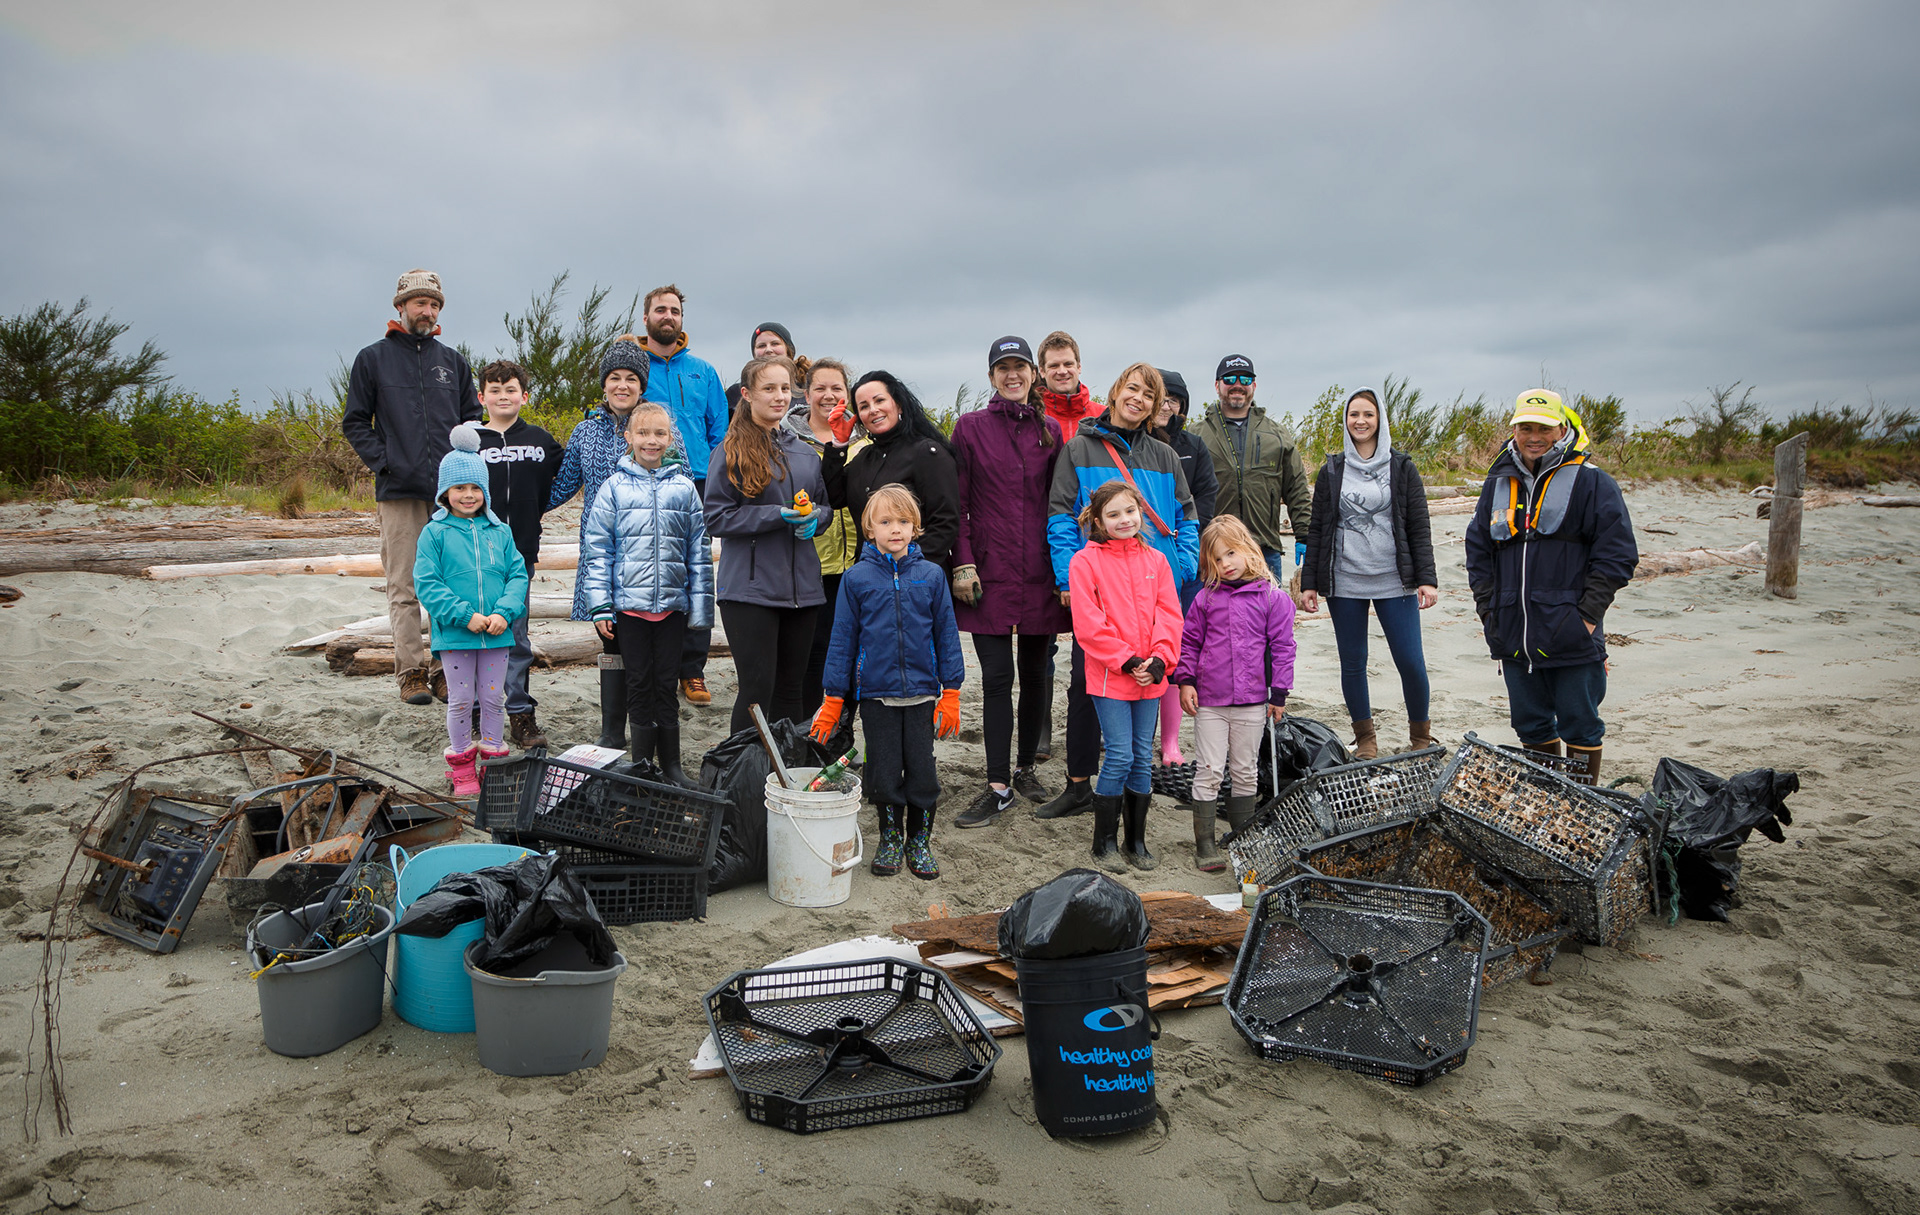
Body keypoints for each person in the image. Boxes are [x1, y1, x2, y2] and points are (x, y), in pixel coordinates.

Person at [1037, 362, 1199, 823]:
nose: (1139, 400)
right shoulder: (1080, 448)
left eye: (1149, 395)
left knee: (1148, 676)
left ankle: (1130, 790)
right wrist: (1069, 577)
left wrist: (1182, 565)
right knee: (1086, 684)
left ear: (1155, 406)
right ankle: (1078, 784)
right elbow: (1061, 516)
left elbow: (1188, 516)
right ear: (1116, 390)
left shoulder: (1165, 456)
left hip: (1154, 586)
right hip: (1098, 587)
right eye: (1133, 389)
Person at [1465, 390, 1638, 782]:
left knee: (1580, 723)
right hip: (1512, 634)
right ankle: (1547, 808)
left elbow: (1618, 556)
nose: (1534, 436)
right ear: (1515, 430)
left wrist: (1588, 618)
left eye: (1543, 427)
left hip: (1572, 634)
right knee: (1531, 725)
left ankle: (1579, 807)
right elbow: (1477, 550)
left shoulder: (1594, 483)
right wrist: (1490, 612)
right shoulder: (1497, 482)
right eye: (1526, 427)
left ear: (1562, 428)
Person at [342, 268, 482, 705]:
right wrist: (386, 463)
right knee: (404, 587)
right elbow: (354, 422)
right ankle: (411, 673)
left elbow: (472, 420)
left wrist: (462, 474)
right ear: (400, 306)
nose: (428, 310)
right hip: (398, 492)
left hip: (448, 495)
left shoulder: (453, 361)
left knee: (448, 583)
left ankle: (445, 669)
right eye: (420, 303)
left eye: (435, 304)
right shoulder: (372, 359)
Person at [811, 485, 965, 881]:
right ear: (869, 529)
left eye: (903, 521)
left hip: (921, 695)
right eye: (885, 521)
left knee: (922, 771)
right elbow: (842, 639)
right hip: (876, 696)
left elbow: (946, 635)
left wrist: (951, 691)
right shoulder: (856, 579)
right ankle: (891, 836)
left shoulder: (931, 576)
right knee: (882, 771)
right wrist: (833, 699)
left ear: (915, 529)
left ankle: (919, 839)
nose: (894, 529)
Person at [949, 337, 1071, 828]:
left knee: (1038, 674)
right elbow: (958, 503)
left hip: (1040, 572)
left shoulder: (1050, 431)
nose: (1012, 374)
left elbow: (1059, 503)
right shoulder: (970, 428)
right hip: (989, 571)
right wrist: (963, 562)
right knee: (998, 678)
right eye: (1003, 367)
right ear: (992, 375)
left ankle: (1024, 769)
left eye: (1020, 366)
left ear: (1032, 374)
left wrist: (1063, 570)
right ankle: (997, 783)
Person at [1300, 388, 1440, 758]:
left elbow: (1418, 525)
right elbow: (1318, 528)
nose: (1360, 421)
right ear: (1345, 421)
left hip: (1395, 579)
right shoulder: (1332, 470)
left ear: (1380, 420)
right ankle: (1365, 739)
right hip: (1345, 579)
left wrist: (1427, 577)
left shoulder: (1402, 466)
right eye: (1353, 415)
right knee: (1352, 662)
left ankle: (1421, 737)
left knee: (1410, 660)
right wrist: (1310, 582)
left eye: (1368, 414)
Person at [579, 402, 712, 787]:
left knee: (667, 683)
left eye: (659, 434)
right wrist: (600, 604)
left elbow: (699, 553)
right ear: (629, 438)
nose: (651, 441)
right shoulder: (614, 487)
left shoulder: (684, 488)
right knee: (638, 683)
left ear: (670, 439)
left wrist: (700, 611)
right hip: (629, 610)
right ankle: (642, 766)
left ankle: (671, 765)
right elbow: (598, 550)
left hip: (671, 609)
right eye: (643, 433)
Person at [705, 355, 831, 734]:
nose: (780, 397)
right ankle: (740, 776)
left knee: (792, 691)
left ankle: (787, 777)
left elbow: (824, 506)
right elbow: (716, 518)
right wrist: (776, 515)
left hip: (804, 592)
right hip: (749, 591)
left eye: (785, 388)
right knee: (757, 691)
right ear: (746, 394)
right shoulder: (729, 451)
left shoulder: (807, 452)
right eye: (769, 389)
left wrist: (815, 520)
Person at [1068, 480, 1182, 872]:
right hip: (1110, 677)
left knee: (1140, 757)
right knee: (1118, 753)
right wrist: (1127, 660)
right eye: (1113, 514)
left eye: (1129, 512)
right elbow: (1088, 624)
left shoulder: (1157, 561)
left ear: (1141, 513)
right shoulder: (1086, 561)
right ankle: (1105, 843)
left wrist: (1160, 660)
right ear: (1098, 520)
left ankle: (1137, 840)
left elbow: (1169, 613)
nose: (1124, 520)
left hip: (1151, 676)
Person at [1173, 516, 1296, 871]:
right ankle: (1206, 844)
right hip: (1210, 701)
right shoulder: (1205, 599)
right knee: (1209, 769)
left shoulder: (1273, 598)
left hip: (1253, 701)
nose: (1225, 564)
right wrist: (1186, 681)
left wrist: (1279, 694)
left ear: (1248, 549)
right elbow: (1191, 642)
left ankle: (1242, 837)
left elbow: (1283, 648)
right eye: (1216, 560)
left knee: (1244, 770)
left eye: (1230, 553)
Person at [548, 339, 652, 750]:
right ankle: (612, 731)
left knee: (643, 639)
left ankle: (645, 729)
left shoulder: (658, 425)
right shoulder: (585, 430)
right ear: (604, 384)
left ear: (641, 386)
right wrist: (513, 499)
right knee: (610, 636)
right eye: (614, 378)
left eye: (630, 378)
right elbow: (562, 487)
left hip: (646, 552)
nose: (622, 385)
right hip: (601, 555)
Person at [413, 424, 528, 797]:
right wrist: (465, 615)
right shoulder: (435, 533)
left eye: (476, 488)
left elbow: (517, 576)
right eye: (460, 488)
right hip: (457, 633)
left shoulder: (501, 532)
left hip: (496, 632)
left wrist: (503, 613)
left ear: (486, 492)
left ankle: (492, 760)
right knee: (462, 699)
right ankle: (462, 765)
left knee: (494, 697)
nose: (468, 495)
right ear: (445, 492)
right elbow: (428, 584)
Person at [638, 285, 731, 706]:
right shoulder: (635, 368)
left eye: (675, 311)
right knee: (652, 568)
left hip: (696, 482)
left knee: (695, 572)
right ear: (646, 318)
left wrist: (713, 478)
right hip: (648, 480)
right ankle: (658, 661)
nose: (668, 316)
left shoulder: (704, 371)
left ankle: (692, 670)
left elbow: (720, 432)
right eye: (661, 310)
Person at [474, 360, 564, 749]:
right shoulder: (468, 441)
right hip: (475, 555)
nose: (503, 396)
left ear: (524, 396)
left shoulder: (542, 441)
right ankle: (479, 710)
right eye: (494, 390)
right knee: (475, 630)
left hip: (520, 553)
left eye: (510, 390)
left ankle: (520, 713)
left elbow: (563, 479)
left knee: (516, 634)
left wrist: (535, 510)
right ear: (482, 398)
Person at [784, 358, 867, 715]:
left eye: (837, 388)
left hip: (857, 563)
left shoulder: (865, 439)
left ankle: (840, 731)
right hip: (809, 561)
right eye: (820, 388)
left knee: (849, 650)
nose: (829, 395)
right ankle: (807, 731)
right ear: (806, 391)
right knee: (813, 652)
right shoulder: (788, 439)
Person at [1194, 354, 1312, 586]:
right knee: (1213, 620)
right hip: (1214, 553)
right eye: (1229, 379)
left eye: (1245, 380)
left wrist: (1305, 534)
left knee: (1269, 618)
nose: (1237, 385)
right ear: (1217, 385)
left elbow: (1296, 489)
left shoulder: (1277, 435)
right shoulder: (1196, 434)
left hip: (1263, 549)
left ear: (1254, 386)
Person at [1151, 368, 1219, 765]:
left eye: (1174, 400)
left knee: (1178, 650)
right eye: (1161, 397)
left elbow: (1206, 495)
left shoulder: (1194, 446)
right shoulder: (1137, 443)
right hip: (1143, 562)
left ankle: (1171, 741)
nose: (1166, 405)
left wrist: (1188, 547)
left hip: (1186, 563)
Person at [821, 371, 961, 565]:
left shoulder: (927, 452)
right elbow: (833, 497)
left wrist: (908, 568)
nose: (873, 410)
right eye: (864, 406)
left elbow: (945, 522)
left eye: (879, 401)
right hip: (869, 576)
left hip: (917, 578)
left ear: (899, 405)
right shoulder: (864, 458)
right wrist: (838, 446)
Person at [1037, 331, 1098, 434]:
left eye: (1068, 364)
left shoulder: (1104, 417)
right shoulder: (1031, 417)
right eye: (1054, 366)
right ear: (1042, 371)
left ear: (1079, 367)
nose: (1062, 372)